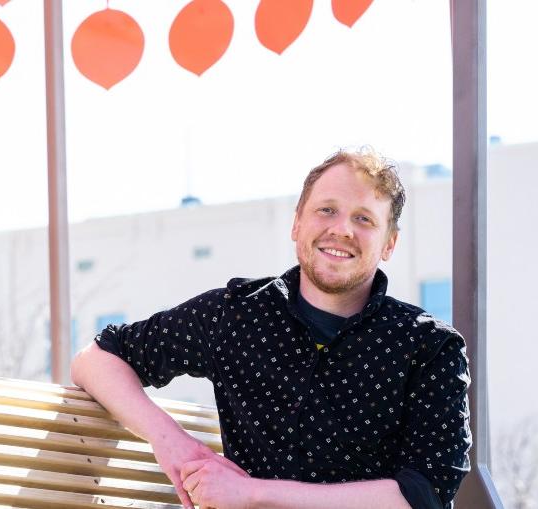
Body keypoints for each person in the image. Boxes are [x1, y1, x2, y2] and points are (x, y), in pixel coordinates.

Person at [71, 148, 472, 509]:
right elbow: (98, 358)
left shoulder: (429, 347)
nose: (342, 230)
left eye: (363, 218)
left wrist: (253, 493)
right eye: (326, 210)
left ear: (389, 244)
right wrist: (172, 443)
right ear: (297, 223)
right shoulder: (237, 315)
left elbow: (425, 495)